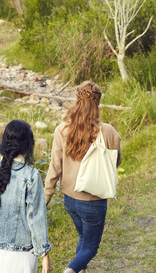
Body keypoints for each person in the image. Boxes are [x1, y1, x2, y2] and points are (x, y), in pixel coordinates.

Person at [44, 81, 122, 273]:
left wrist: (46, 196)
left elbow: (54, 168)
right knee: (90, 247)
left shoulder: (62, 129)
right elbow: (115, 162)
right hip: (94, 201)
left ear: (77, 101)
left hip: (70, 200)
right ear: (98, 104)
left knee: (83, 240)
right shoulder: (108, 132)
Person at [0, 120, 52, 273]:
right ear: (28, 145)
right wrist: (44, 254)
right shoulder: (32, 176)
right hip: (21, 257)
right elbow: (36, 218)